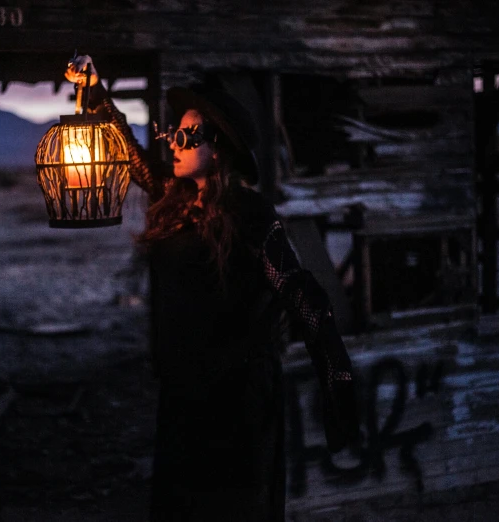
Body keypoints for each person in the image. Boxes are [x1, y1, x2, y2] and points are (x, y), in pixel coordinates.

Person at [66, 56, 360, 522]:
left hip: (238, 402)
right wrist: (97, 92)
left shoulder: (252, 215)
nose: (174, 143)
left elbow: (302, 294)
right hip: (184, 396)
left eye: (188, 135)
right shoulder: (173, 201)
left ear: (219, 149)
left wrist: (338, 383)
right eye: (173, 134)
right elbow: (134, 156)